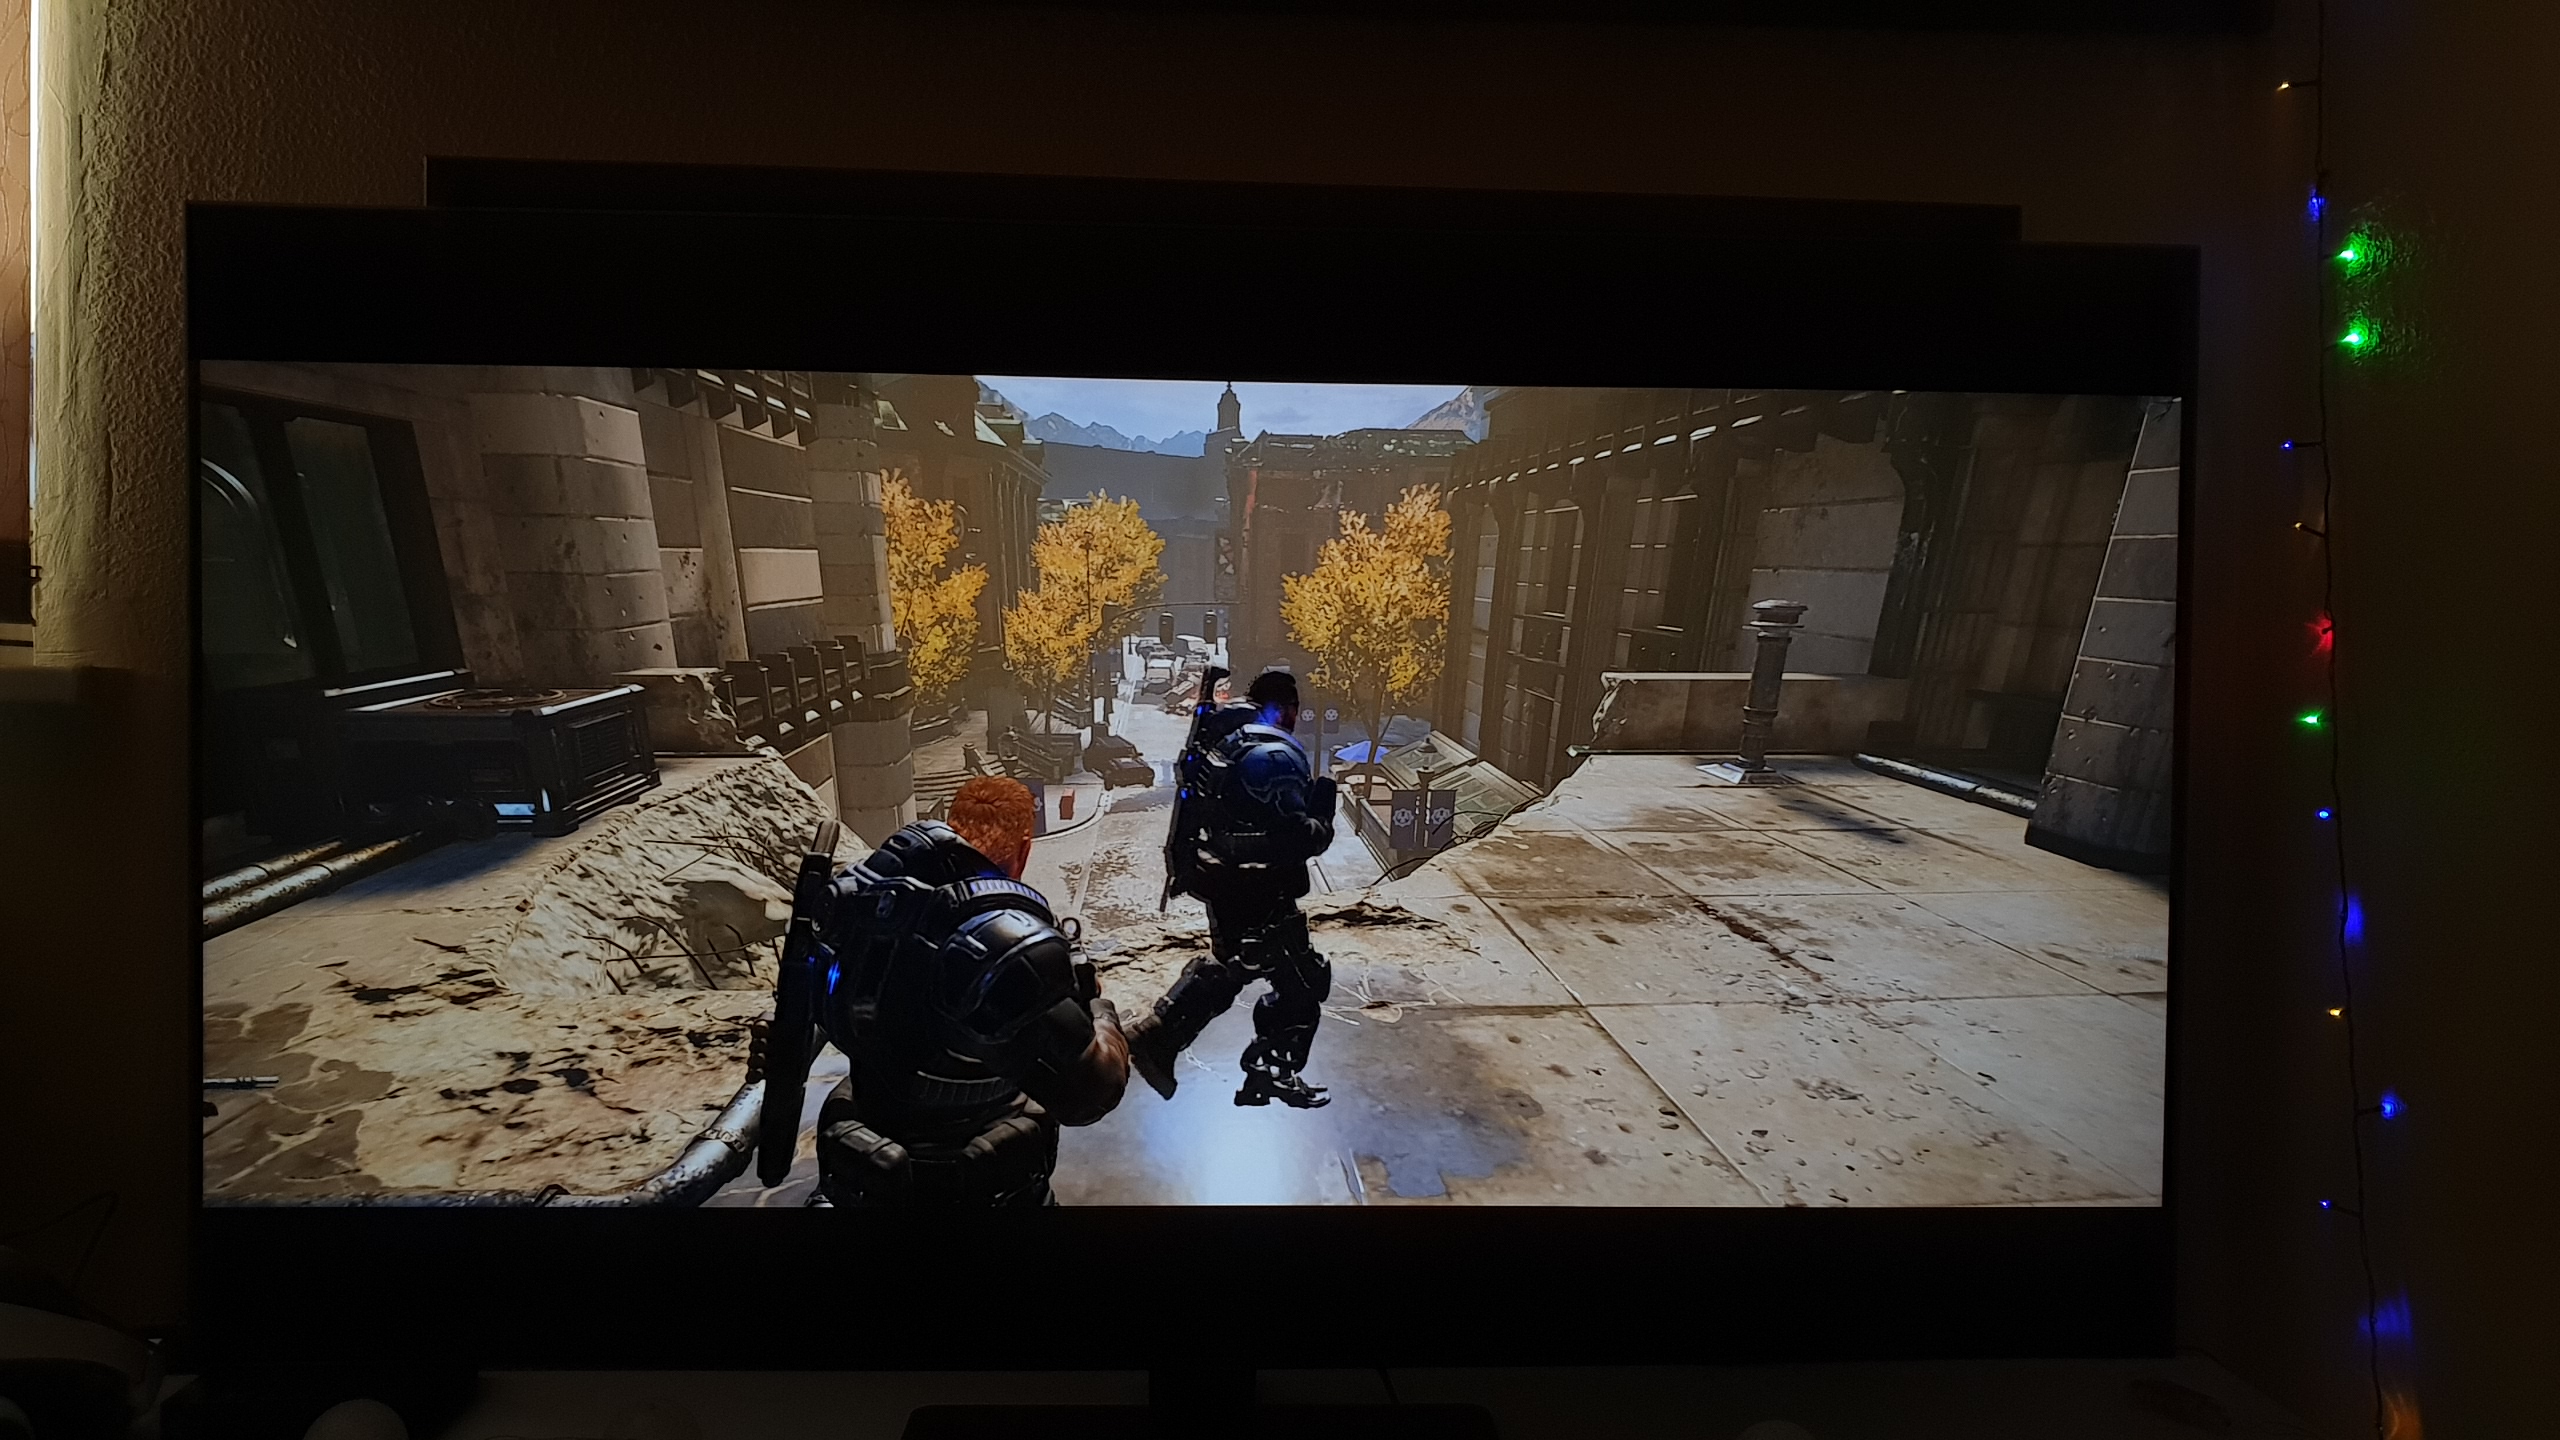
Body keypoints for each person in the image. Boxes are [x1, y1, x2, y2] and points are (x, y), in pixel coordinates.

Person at [796, 775, 1129, 1206]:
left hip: (865, 1172)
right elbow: (1090, 1096)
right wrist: (1099, 1007)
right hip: (983, 1179)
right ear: (1024, 850)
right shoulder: (1003, 947)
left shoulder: (867, 906)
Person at [1126, 668, 1340, 1108]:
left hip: (1232, 883)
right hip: (1259, 888)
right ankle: (1262, 1070)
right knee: (1301, 984)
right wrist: (1323, 816)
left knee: (1239, 967)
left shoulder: (1232, 740)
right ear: (1285, 707)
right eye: (1294, 709)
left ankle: (1165, 1037)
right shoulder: (1272, 755)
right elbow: (1298, 838)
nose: (1296, 718)